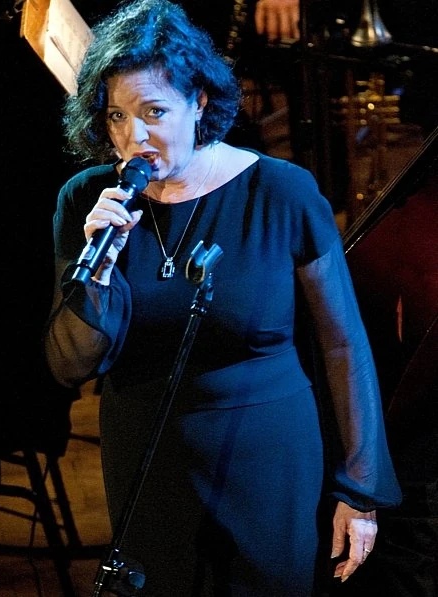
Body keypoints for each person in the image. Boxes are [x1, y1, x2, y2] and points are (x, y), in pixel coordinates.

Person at [43, 1, 402, 595]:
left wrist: (360, 491)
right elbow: (69, 364)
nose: (134, 137)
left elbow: (343, 344)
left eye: (154, 112)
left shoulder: (280, 192)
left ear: (199, 102)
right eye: (116, 117)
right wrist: (99, 268)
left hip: (267, 458)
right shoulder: (87, 202)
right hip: (147, 460)